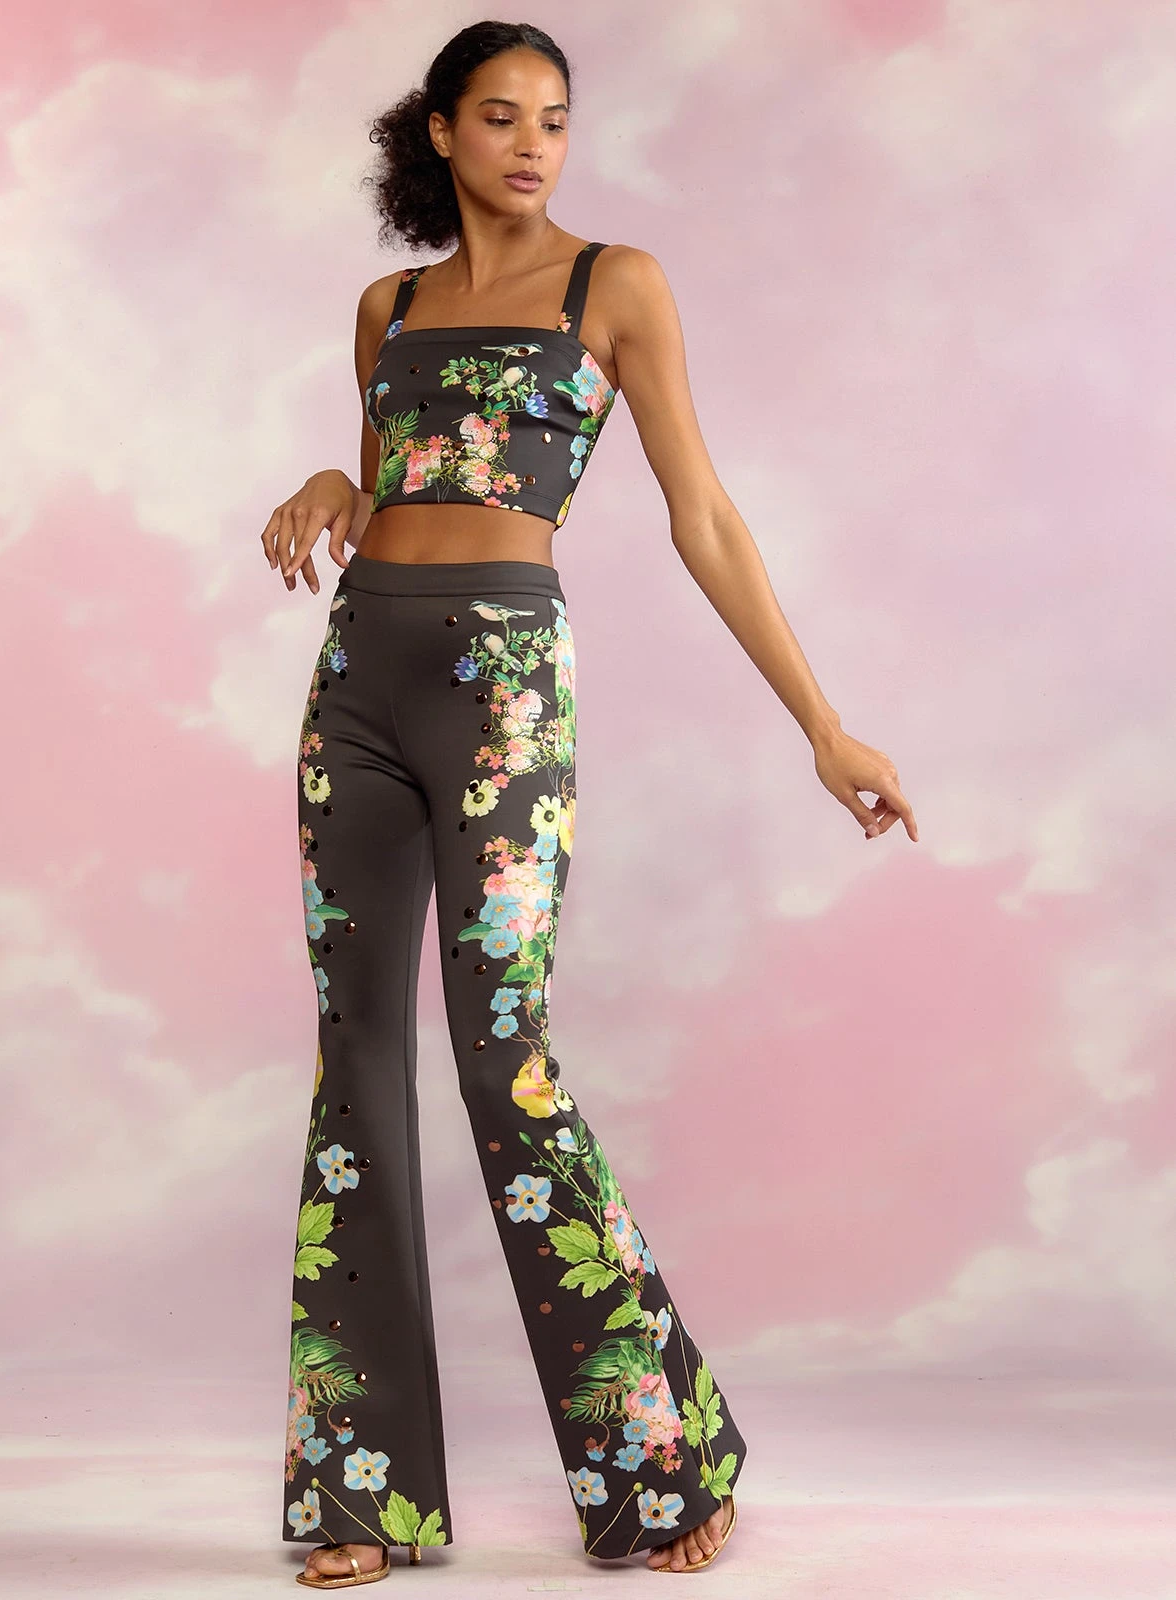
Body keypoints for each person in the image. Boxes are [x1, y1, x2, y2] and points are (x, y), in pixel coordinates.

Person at [263, 20, 917, 1592]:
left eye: (552, 120)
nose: (532, 146)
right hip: (357, 686)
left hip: (501, 687)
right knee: (357, 1066)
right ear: (439, 132)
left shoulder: (611, 285)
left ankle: (658, 1456)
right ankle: (360, 1494)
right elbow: (398, 478)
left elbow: (702, 514)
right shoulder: (387, 308)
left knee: (505, 1056)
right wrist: (337, 487)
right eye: (499, 118)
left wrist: (821, 724)